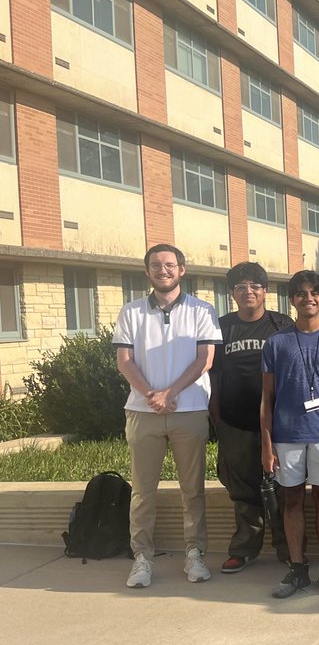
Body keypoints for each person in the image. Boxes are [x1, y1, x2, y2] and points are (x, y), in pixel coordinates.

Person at [114, 244, 221, 588]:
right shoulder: (130, 312)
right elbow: (125, 361)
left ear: (182, 269)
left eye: (170, 264)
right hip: (142, 412)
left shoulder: (202, 310)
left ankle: (195, 554)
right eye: (156, 265)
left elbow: (205, 359)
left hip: (188, 411)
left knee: (193, 490)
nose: (164, 270)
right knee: (142, 491)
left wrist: (169, 393)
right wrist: (152, 396)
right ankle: (142, 558)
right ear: (147, 272)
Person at [261, 271, 319, 599]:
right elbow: (266, 398)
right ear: (292, 300)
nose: (308, 298)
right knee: (292, 500)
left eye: (315, 293)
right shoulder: (276, 342)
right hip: (286, 435)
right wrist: (266, 443)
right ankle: (298, 568)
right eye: (300, 294)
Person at [210, 262, 293, 573]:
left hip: (279, 423)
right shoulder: (221, 326)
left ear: (265, 291)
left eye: (255, 286)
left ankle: (288, 548)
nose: (248, 292)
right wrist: (216, 415)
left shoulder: (281, 325)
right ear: (232, 293)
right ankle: (244, 549)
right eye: (241, 287)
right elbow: (214, 375)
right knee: (242, 490)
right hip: (236, 421)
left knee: (283, 487)